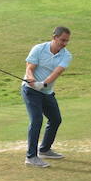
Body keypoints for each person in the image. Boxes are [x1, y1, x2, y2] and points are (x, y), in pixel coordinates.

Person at [22, 26, 72, 167]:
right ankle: (31, 157)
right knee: (37, 120)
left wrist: (43, 84)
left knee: (56, 119)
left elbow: (57, 72)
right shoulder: (39, 49)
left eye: (67, 41)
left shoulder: (66, 55)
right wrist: (32, 80)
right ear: (54, 37)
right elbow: (29, 68)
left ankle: (44, 149)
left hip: (46, 91)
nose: (64, 43)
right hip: (30, 90)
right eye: (62, 40)